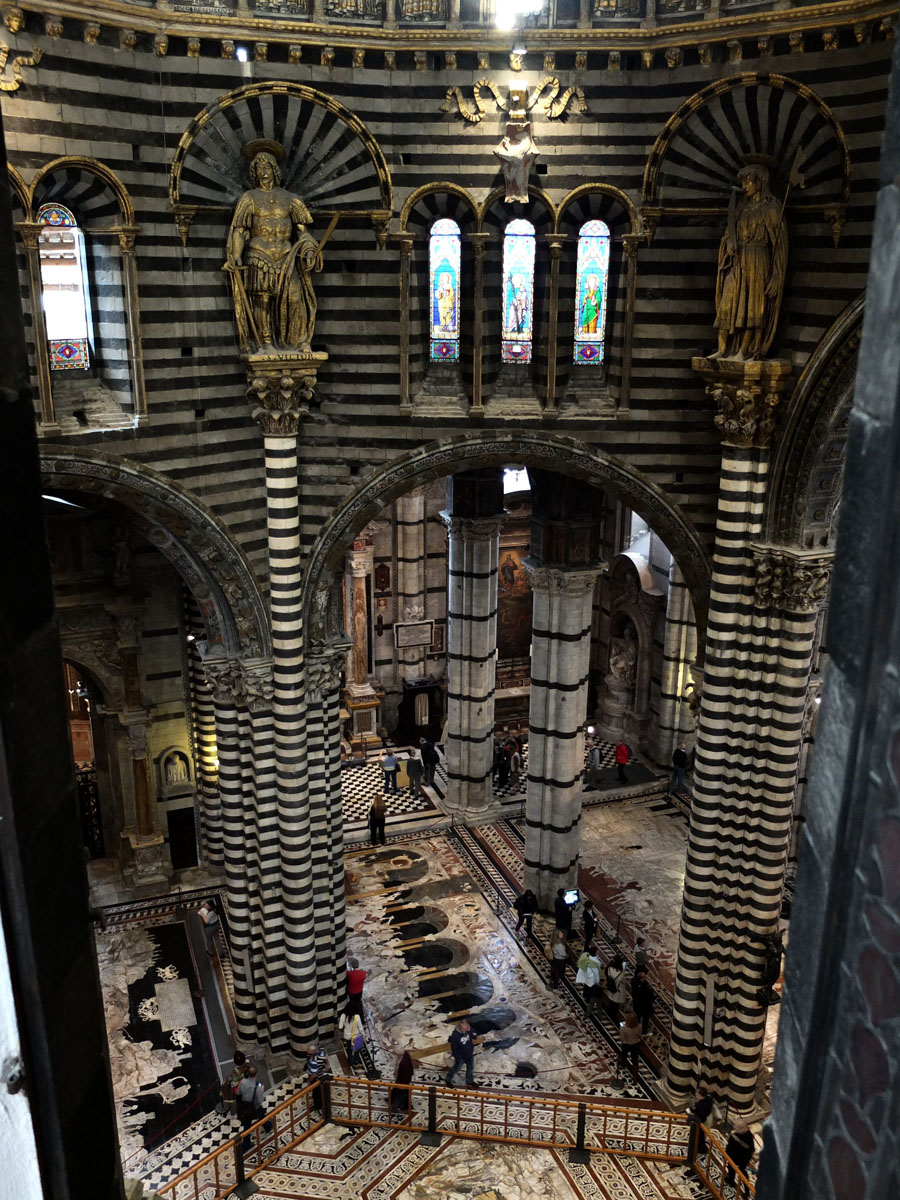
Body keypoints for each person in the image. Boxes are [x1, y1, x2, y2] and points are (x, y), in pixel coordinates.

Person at [224, 148, 323, 352]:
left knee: (295, 297)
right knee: (263, 300)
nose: (263, 171)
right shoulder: (249, 198)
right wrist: (236, 256)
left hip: (286, 256)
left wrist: (310, 250)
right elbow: (240, 230)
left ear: (275, 169)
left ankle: (298, 342)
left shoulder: (290, 198)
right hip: (259, 254)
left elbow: (303, 231)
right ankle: (266, 342)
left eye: (267, 166)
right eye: (259, 167)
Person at [713, 162, 788, 361]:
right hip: (738, 260)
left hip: (758, 260)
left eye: (748, 181)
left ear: (760, 182)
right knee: (727, 304)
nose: (745, 185)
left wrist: (776, 275)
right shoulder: (740, 208)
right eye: (743, 181)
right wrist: (729, 243)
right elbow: (729, 233)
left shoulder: (772, 208)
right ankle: (723, 348)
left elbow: (780, 245)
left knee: (751, 305)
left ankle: (744, 350)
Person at [237, 1065, 271, 1151]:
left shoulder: (243, 1082)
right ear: (256, 1074)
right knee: (261, 1116)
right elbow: (260, 1101)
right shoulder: (258, 1087)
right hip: (255, 1108)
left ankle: (246, 1144)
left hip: (245, 1108)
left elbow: (239, 1093)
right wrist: (261, 1090)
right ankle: (268, 1127)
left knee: (247, 1126)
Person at [684, 1089, 714, 1174]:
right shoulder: (707, 1099)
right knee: (700, 1135)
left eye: (697, 1095)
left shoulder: (703, 1105)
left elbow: (700, 1114)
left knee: (700, 1135)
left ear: (701, 1096)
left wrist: (692, 1113)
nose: (696, 1096)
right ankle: (700, 1146)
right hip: (704, 1118)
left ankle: (701, 1148)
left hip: (703, 1121)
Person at [445, 1019, 478, 1088]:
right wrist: (457, 1057)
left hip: (469, 1054)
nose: (467, 1026)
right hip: (461, 1056)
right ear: (461, 1025)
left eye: (467, 1024)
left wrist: (470, 1031)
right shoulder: (455, 1035)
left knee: (470, 1068)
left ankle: (469, 1081)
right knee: (456, 1069)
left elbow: (474, 1037)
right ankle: (448, 1079)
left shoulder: (468, 1030)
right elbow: (454, 1047)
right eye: (465, 1025)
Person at [725, 1118, 756, 1185]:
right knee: (743, 1172)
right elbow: (752, 1148)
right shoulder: (749, 1134)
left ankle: (731, 1181)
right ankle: (747, 1189)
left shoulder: (734, 1137)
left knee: (731, 1168)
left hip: (734, 1157)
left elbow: (729, 1148)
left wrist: (725, 1155)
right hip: (745, 1158)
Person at [616, 1011, 642, 1084]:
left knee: (623, 1055)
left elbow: (622, 1039)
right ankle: (635, 1078)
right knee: (635, 1061)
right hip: (636, 1044)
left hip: (626, 1044)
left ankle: (621, 1065)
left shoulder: (624, 1028)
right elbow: (640, 1035)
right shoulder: (639, 1026)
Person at [575, 947, 603, 1013]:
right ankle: (588, 1000)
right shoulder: (596, 962)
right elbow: (596, 972)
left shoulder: (585, 955)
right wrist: (597, 980)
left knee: (586, 986)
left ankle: (584, 995)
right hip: (591, 977)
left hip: (585, 974)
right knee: (591, 989)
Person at [390, 1049, 415, 1119]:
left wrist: (402, 1085)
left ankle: (394, 1107)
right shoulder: (404, 1055)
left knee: (401, 1094)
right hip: (400, 1080)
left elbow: (406, 1074)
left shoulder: (404, 1062)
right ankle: (407, 1105)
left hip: (402, 1082)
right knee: (400, 1092)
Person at [631, 964, 655, 1035]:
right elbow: (648, 996)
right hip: (644, 1006)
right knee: (645, 1020)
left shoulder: (634, 982)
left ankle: (636, 1030)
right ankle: (644, 1032)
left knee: (637, 1018)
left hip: (637, 1004)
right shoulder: (644, 987)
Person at [605, 955, 627, 1023]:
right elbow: (624, 981)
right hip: (618, 990)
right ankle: (613, 1017)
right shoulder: (621, 974)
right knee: (616, 1005)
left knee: (611, 1002)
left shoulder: (610, 969)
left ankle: (609, 1013)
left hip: (611, 987)